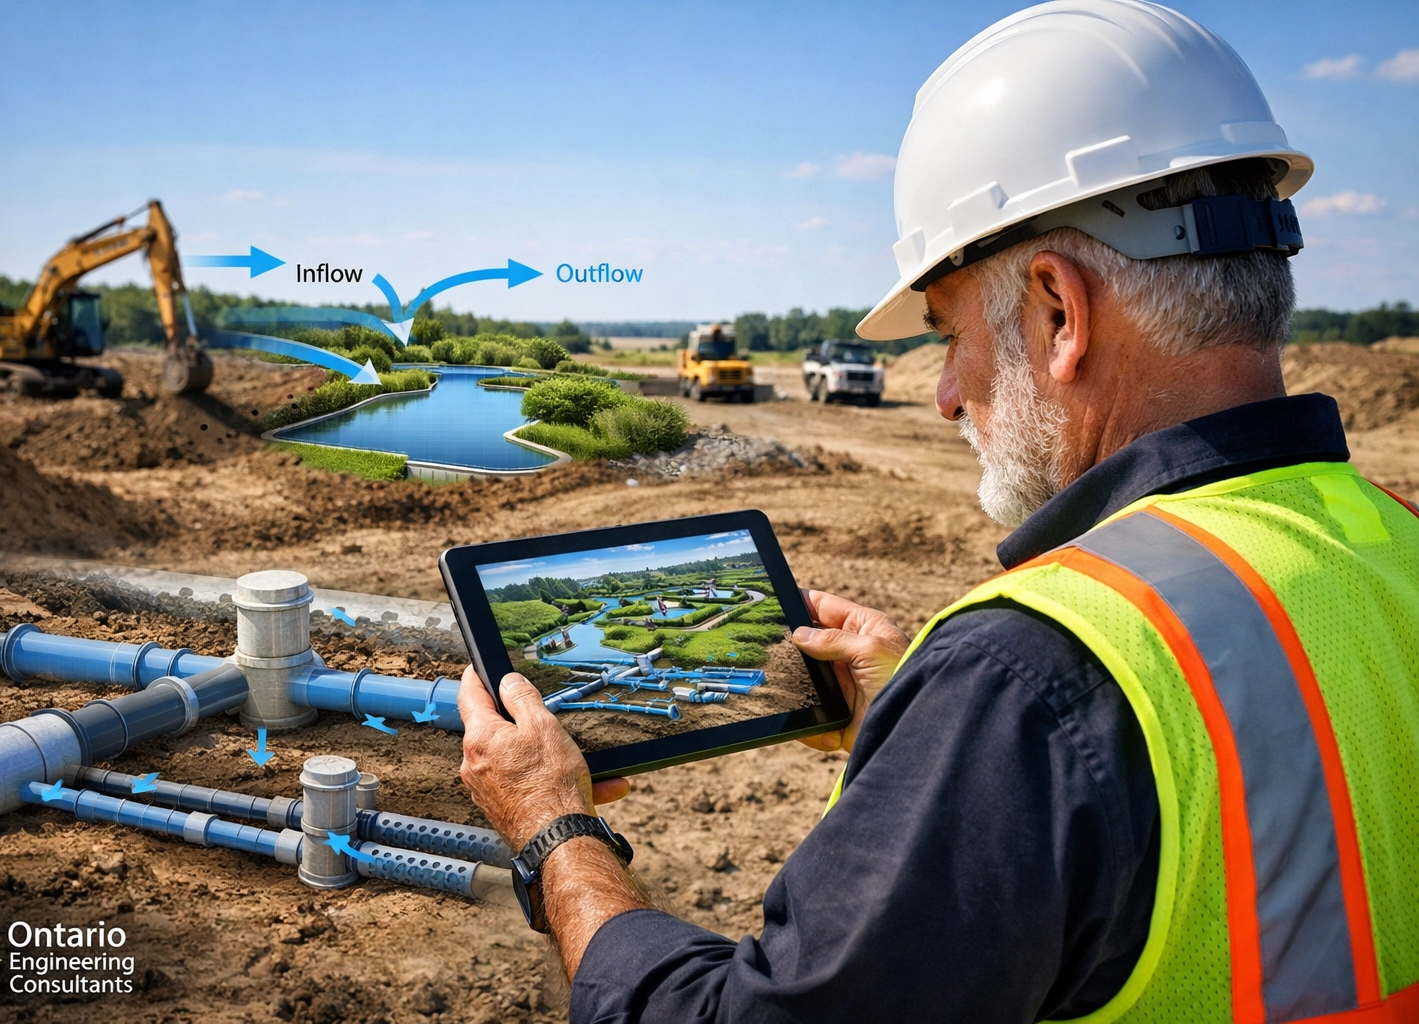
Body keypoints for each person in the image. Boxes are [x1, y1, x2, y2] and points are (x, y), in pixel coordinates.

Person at [457, 3, 1419, 1021]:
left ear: (1059, 311)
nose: (945, 393)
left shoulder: (1029, 681)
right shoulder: (1393, 544)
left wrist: (559, 836)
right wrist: (928, 727)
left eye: (951, 331)